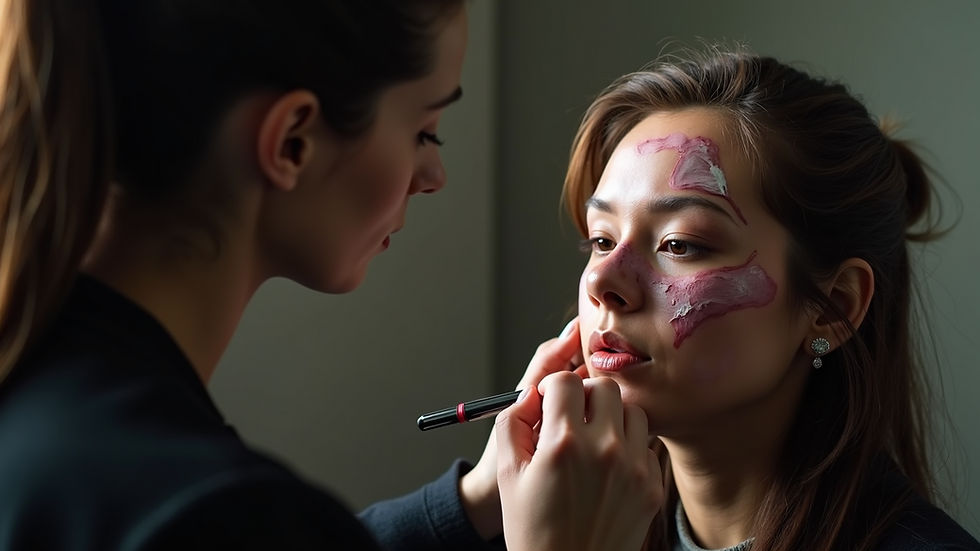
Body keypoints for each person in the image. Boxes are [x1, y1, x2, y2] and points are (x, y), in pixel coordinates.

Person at [0, 1, 662, 550]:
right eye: (425, 130)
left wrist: (476, 497)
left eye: (682, 242)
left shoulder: (47, 391)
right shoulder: (207, 510)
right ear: (292, 140)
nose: (434, 177)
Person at [559, 47, 980, 550]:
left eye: (679, 244)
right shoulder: (539, 514)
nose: (602, 280)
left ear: (835, 308)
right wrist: (478, 496)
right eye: (601, 240)